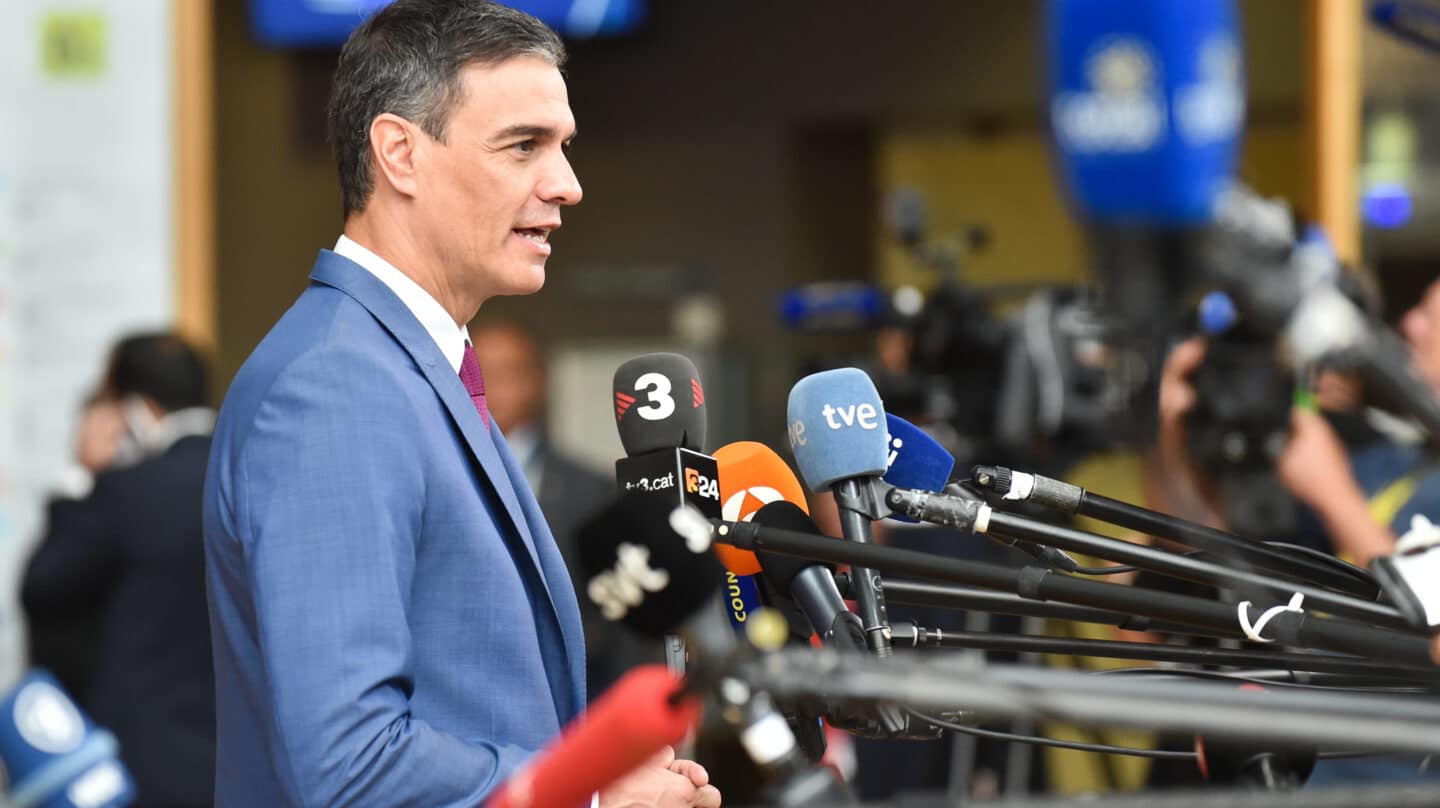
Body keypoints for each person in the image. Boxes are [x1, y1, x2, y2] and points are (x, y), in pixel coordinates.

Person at [202, 3, 719, 806]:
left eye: (564, 147)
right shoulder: (334, 387)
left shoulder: (403, 366)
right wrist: (582, 794)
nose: (567, 185)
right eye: (523, 146)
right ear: (400, 152)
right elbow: (348, 765)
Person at [23, 332, 216, 808]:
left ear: (133, 409)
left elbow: (44, 589)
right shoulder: (255, 472)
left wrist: (82, 479)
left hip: (144, 772)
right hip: (248, 769)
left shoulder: (127, 493)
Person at [470, 319, 663, 701]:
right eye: (479, 374)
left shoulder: (595, 491)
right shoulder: (440, 477)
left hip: (577, 702)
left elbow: (622, 626)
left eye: (507, 374)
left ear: (537, 382)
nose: (493, 389)